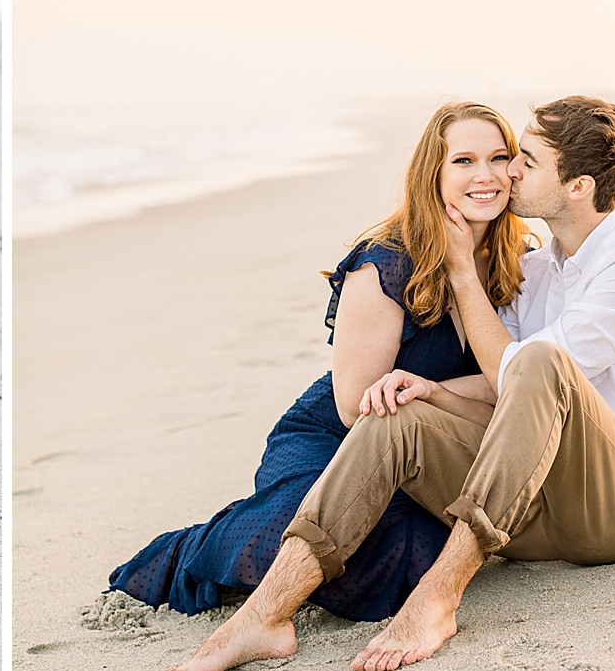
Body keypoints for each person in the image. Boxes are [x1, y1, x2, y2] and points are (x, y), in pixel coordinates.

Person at [155, 96, 615, 671]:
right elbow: (505, 394)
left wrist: (463, 274)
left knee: (540, 359)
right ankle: (263, 616)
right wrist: (426, 391)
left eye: (526, 161)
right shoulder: (539, 270)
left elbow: (525, 374)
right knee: (393, 414)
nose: (508, 172)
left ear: (577, 187)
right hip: (534, 505)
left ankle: (438, 598)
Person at [111, 101, 534, 623]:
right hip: (336, 437)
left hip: (431, 445)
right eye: (464, 161)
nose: (486, 176)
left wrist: (435, 391)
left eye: (498, 158)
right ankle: (180, 557)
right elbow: (355, 405)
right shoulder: (387, 261)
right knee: (323, 537)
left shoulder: (519, 259)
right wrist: (450, 393)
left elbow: (517, 382)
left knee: (413, 552)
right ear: (433, 174)